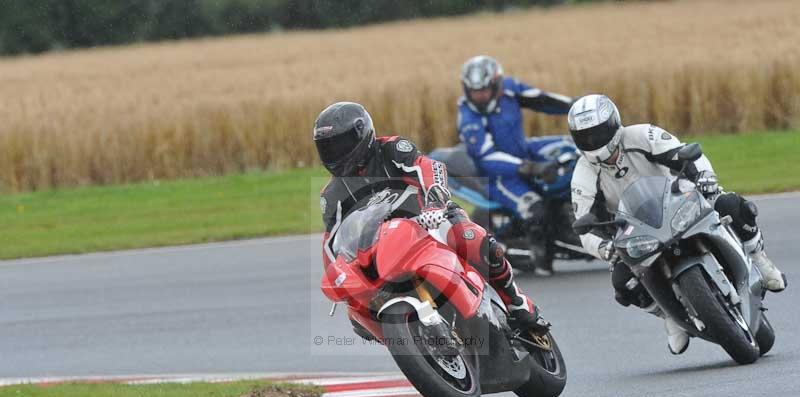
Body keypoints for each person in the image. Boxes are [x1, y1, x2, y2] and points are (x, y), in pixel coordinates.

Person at [567, 94, 787, 354]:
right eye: (585, 137)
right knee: (622, 282)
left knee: (732, 205)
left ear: (613, 124)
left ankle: (758, 258)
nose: (592, 141)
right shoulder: (583, 173)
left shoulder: (642, 135)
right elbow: (584, 226)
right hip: (636, 231)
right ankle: (668, 315)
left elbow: (686, 152)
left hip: (678, 200)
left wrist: (705, 177)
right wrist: (605, 248)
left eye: (597, 133)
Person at [314, 101, 549, 335]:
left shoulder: (392, 148)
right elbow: (331, 241)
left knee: (474, 241)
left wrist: (435, 202)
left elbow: (428, 166)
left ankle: (517, 302)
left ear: (361, 134)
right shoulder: (332, 194)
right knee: (357, 316)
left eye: (340, 145)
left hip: (429, 219)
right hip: (383, 246)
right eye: (327, 148)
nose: (335, 154)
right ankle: (415, 338)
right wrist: (338, 276)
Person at [457, 55, 575, 274]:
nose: (479, 96)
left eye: (483, 90)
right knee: (536, 210)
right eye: (474, 92)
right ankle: (540, 258)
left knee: (571, 147)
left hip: (525, 150)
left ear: (496, 84)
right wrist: (529, 167)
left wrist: (575, 105)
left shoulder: (509, 89)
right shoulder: (468, 119)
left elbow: (542, 100)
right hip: (500, 176)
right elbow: (487, 157)